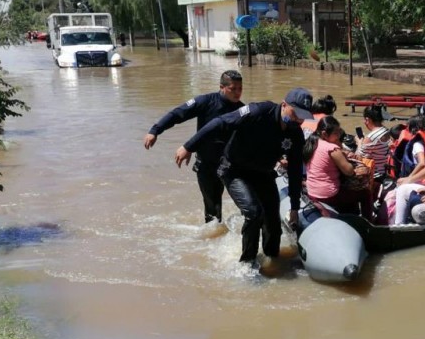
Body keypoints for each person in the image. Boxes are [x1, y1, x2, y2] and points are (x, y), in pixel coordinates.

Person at [174, 88, 313, 270]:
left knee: (272, 220)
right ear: (284, 105)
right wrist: (189, 146)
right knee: (254, 213)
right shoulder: (258, 112)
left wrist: (295, 207)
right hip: (234, 170)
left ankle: (273, 258)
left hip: (263, 173)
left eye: (303, 116)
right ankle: (248, 264)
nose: (298, 120)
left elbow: (295, 170)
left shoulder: (295, 134)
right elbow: (219, 122)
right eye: (296, 114)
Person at [144, 70, 244, 223]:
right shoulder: (206, 101)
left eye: (240, 89)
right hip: (207, 164)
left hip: (232, 165)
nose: (237, 93)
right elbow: (178, 114)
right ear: (222, 87)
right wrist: (155, 130)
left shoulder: (243, 110)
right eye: (233, 89)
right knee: (212, 208)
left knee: (246, 203)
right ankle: (214, 239)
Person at [303, 116, 374, 219]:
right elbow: (349, 171)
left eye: (339, 132)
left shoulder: (313, 142)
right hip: (328, 194)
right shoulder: (332, 148)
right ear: (324, 134)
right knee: (365, 193)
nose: (339, 136)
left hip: (312, 191)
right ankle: (368, 222)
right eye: (336, 133)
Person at [355, 105, 391, 179]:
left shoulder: (370, 137)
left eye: (364, 119)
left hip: (375, 175)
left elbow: (358, 157)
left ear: (368, 120)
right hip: (385, 171)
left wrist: (359, 142)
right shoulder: (386, 131)